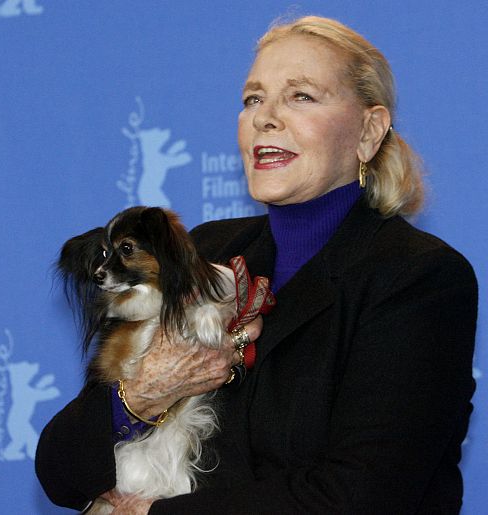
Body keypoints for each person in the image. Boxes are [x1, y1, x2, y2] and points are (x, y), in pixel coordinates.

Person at [36, 15, 478, 514]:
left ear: (369, 131)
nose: (264, 117)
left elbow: (363, 495)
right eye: (253, 99)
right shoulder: (203, 253)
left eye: (301, 96)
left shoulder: (419, 277)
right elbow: (62, 474)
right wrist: (140, 395)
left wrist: (153, 514)